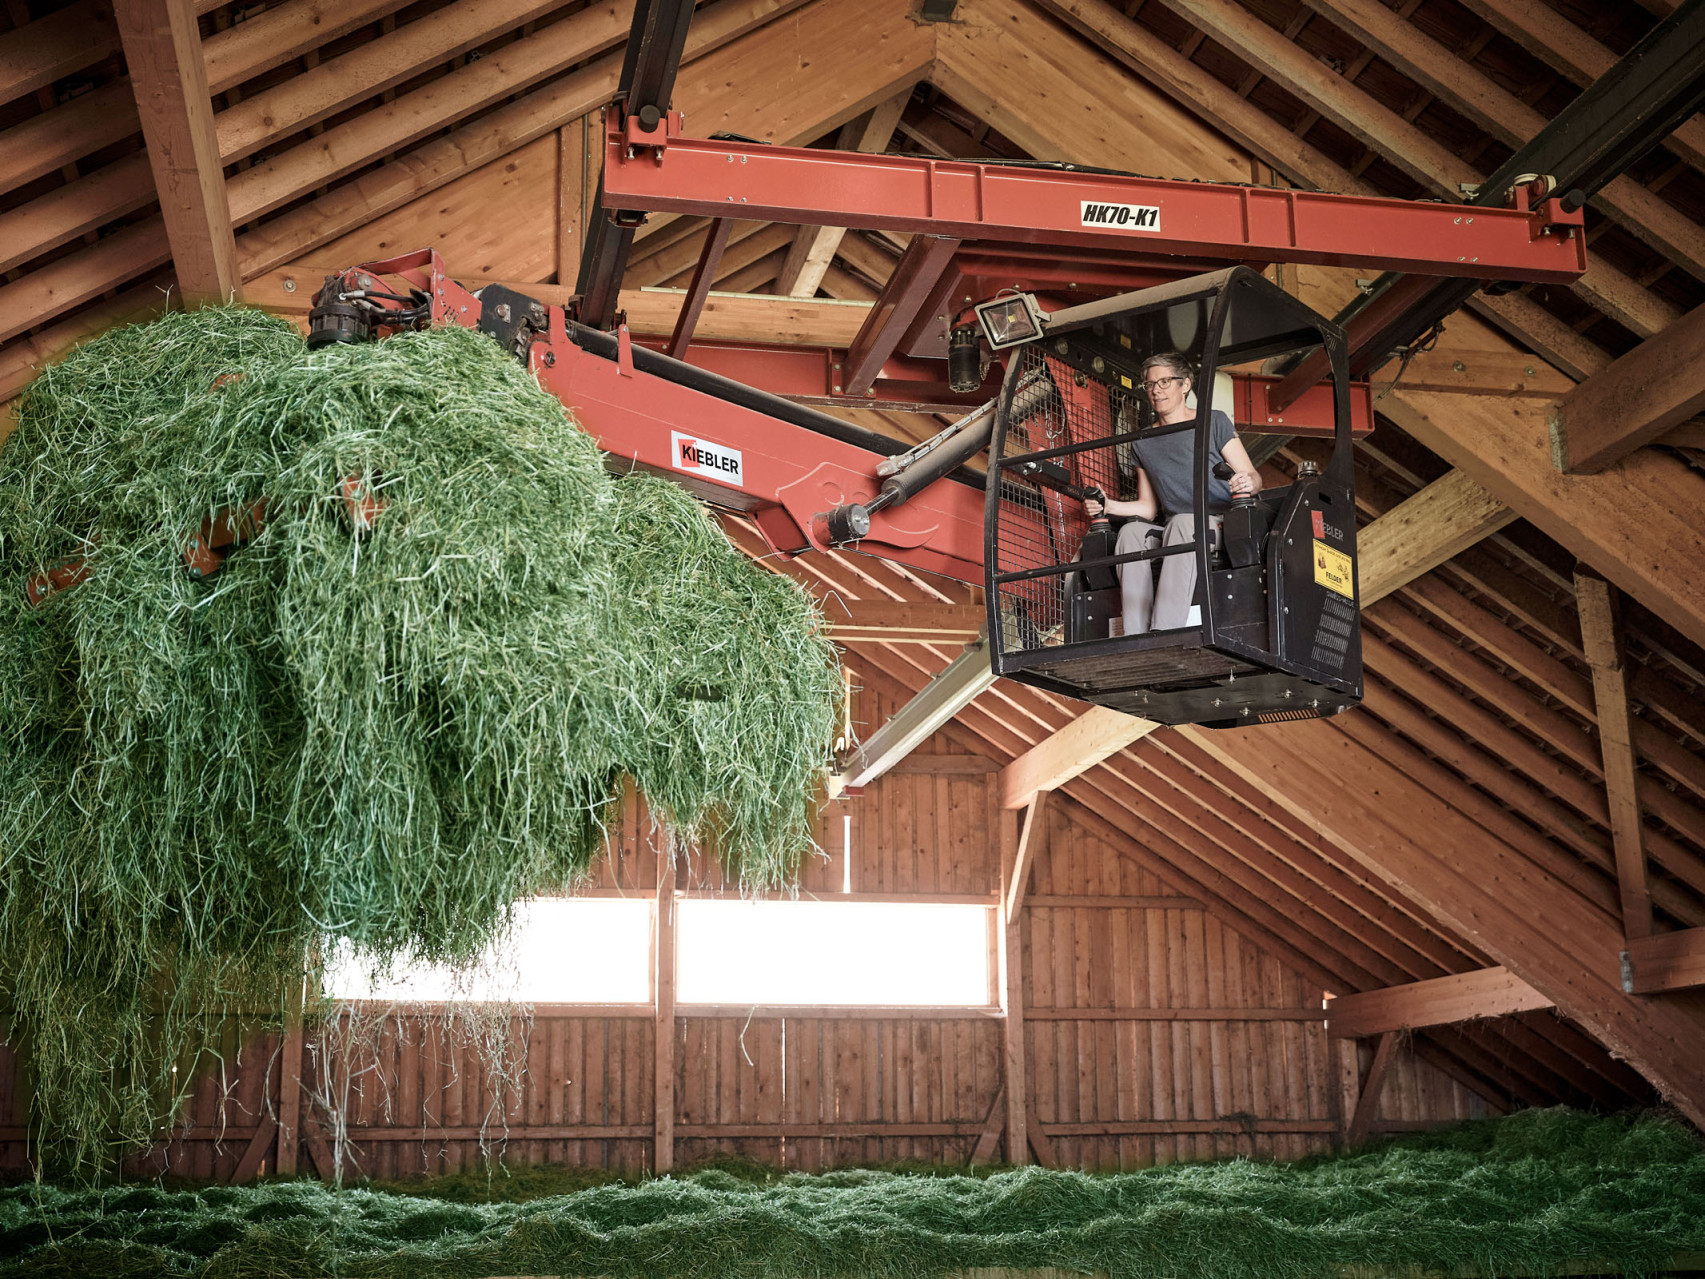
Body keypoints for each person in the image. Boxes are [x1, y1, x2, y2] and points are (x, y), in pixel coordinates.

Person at [1084, 352, 1262, 636]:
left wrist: (1246, 482)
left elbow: (1254, 477)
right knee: (1130, 534)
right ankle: (1134, 636)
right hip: (1174, 529)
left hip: (1219, 522)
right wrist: (1108, 505)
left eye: (1164, 382)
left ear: (1185, 385)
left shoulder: (1212, 422)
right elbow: (1147, 509)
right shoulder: (1143, 442)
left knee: (1182, 523)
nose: (1156, 390)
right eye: (1150, 384)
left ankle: (1163, 632)